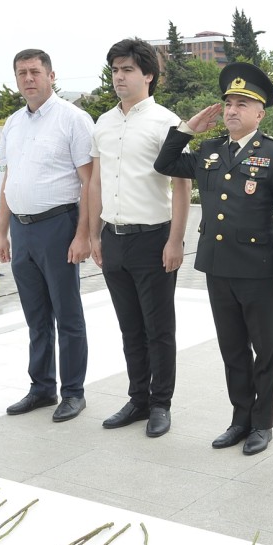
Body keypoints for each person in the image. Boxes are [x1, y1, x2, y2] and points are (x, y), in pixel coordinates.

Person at [153, 62, 273, 455]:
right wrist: (187, 128)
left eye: (242, 104)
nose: (232, 110)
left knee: (265, 349)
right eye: (228, 104)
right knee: (232, 347)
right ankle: (240, 418)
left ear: (259, 112)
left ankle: (262, 424)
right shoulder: (209, 151)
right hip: (218, 267)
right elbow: (165, 163)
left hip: (258, 269)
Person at [88, 38, 190, 438]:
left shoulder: (166, 122)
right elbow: (96, 180)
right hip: (114, 237)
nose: (119, 77)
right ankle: (138, 398)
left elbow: (180, 187)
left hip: (154, 237)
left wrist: (176, 240)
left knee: (158, 328)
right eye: (115, 69)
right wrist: (95, 232)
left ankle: (161, 403)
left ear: (148, 75)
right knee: (129, 326)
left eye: (127, 69)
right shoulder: (103, 122)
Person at [0, 49, 95, 422]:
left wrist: (84, 234)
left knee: (67, 315)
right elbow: (10, 178)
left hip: (59, 226)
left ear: (51, 75)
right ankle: (41, 387)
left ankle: (73, 391)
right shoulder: (13, 123)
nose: (28, 79)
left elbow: (89, 182)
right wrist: (2, 232)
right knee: (36, 316)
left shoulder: (73, 119)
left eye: (35, 71)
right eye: (21, 73)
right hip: (22, 229)